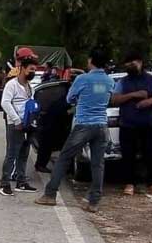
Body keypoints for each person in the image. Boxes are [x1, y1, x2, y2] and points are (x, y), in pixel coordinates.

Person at [34, 49, 115, 212]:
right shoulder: (109, 81)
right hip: (102, 125)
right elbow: (108, 97)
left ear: (91, 60)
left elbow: (69, 98)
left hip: (84, 124)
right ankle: (93, 202)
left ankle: (50, 195)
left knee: (64, 158)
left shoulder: (83, 78)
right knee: (98, 164)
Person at [111, 51, 152, 196]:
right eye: (128, 63)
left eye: (134, 62)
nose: (131, 65)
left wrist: (150, 101)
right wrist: (134, 95)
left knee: (151, 154)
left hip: (149, 124)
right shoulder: (122, 82)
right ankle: (129, 184)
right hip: (128, 124)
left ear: (141, 63)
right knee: (128, 155)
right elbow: (114, 100)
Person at [0, 57, 39, 196]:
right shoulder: (12, 85)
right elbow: (5, 103)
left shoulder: (29, 87)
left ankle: (21, 181)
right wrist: (16, 120)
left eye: (34, 69)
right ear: (22, 68)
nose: (33, 72)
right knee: (12, 154)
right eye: (31, 69)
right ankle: (4, 184)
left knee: (24, 154)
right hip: (15, 125)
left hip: (28, 124)